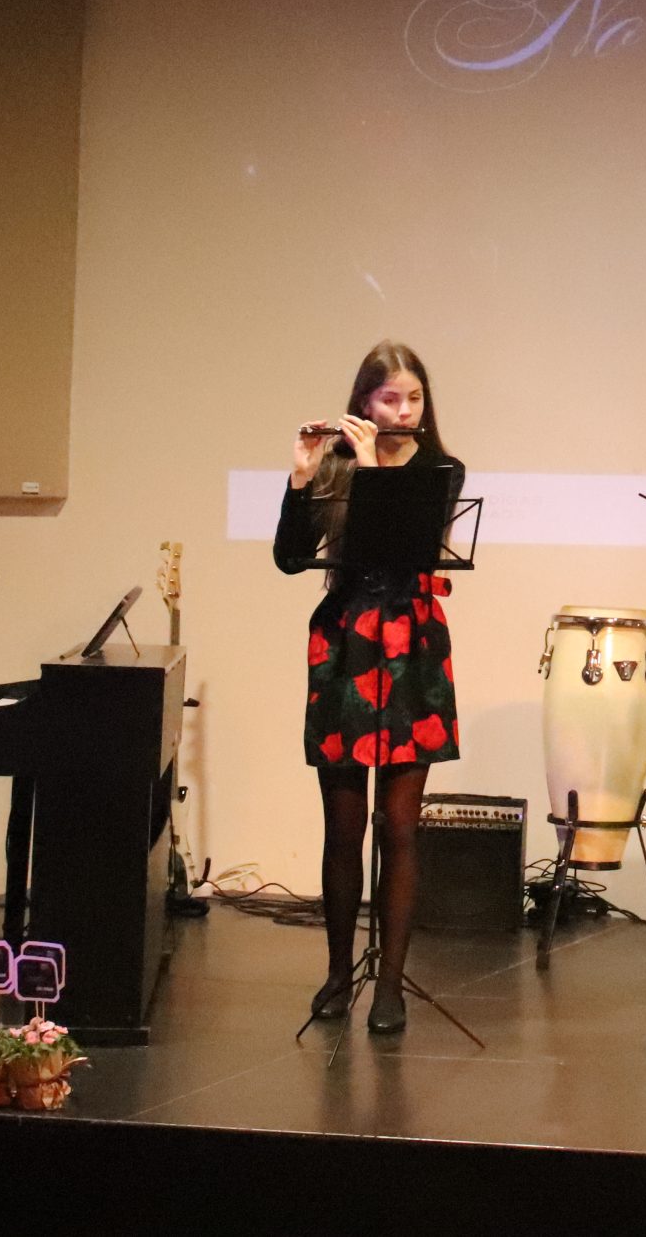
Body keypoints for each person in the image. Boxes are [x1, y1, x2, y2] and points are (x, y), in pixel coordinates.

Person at [273, 340, 463, 1035]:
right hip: (347, 642)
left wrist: (377, 469)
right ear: (363, 402)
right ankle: (336, 973)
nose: (404, 410)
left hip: (411, 642)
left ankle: (389, 986)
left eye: (414, 398)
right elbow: (290, 558)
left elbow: (405, 545)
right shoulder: (335, 463)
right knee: (344, 826)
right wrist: (302, 478)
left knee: (400, 826)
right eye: (390, 399)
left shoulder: (440, 468)